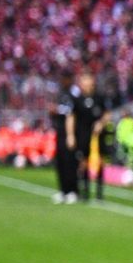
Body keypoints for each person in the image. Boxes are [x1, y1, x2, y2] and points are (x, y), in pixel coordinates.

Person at [53, 72, 106, 205]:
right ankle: (78, 191)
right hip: (81, 136)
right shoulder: (76, 98)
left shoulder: (99, 97)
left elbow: (106, 113)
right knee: (80, 163)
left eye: (88, 79)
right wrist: (70, 135)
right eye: (83, 80)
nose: (86, 83)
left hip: (97, 137)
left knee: (97, 163)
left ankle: (96, 194)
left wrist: (101, 123)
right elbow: (71, 116)